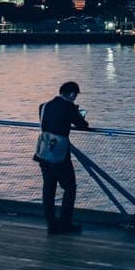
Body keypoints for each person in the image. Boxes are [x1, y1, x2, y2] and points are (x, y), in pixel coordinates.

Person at [36, 81, 90, 235]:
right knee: (70, 187)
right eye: (75, 96)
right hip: (59, 153)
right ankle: (65, 224)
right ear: (72, 94)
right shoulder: (69, 107)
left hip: (43, 151)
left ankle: (51, 225)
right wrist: (78, 114)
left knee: (49, 188)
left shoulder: (44, 106)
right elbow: (82, 125)